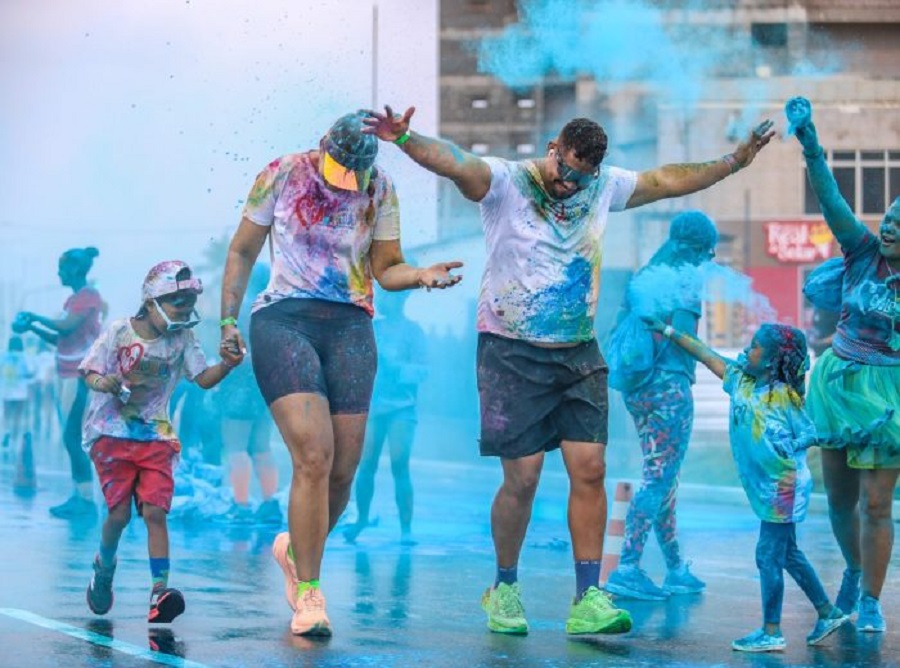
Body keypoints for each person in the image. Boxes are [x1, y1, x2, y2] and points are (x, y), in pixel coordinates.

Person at [363, 104, 774, 636]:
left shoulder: (602, 188)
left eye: (582, 177)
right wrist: (406, 138)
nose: (569, 184)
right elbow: (457, 162)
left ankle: (587, 599)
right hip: (510, 349)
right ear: (554, 148)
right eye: (565, 170)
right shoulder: (508, 182)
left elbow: (666, 179)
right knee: (524, 478)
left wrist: (733, 162)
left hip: (577, 351)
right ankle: (504, 587)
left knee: (591, 470)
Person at [219, 110, 462, 637]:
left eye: (358, 169)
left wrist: (421, 275)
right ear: (325, 144)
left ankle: (293, 548)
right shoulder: (283, 172)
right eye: (342, 165)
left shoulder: (381, 188)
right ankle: (309, 593)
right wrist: (226, 319)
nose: (349, 178)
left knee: (343, 473)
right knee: (313, 455)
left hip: (351, 325)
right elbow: (241, 250)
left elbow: (387, 268)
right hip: (285, 319)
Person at [646, 317, 849, 651]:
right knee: (789, 554)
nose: (745, 349)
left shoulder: (784, 396)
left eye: (753, 346)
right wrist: (667, 330)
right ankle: (827, 612)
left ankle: (772, 631)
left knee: (767, 555)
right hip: (768, 485)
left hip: (784, 486)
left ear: (770, 360)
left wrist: (794, 445)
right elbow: (703, 352)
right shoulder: (739, 381)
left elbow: (810, 432)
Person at [787, 95, 900, 633]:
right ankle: (854, 571)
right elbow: (831, 199)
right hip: (838, 380)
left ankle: (872, 600)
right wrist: (812, 149)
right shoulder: (861, 251)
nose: (892, 224)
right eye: (892, 217)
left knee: (877, 503)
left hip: (889, 395)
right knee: (839, 499)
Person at [80, 260, 243, 623]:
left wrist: (228, 364)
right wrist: (101, 383)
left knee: (155, 512)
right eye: (177, 303)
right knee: (119, 516)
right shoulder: (119, 331)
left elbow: (202, 378)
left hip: (155, 434)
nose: (184, 311)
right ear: (151, 302)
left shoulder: (182, 339)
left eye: (189, 303)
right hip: (111, 434)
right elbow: (91, 370)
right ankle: (104, 567)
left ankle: (159, 592)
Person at [604, 210, 717, 601]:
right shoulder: (687, 280)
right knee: (659, 478)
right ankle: (628, 567)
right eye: (709, 252)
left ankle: (674, 568)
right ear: (700, 249)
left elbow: (619, 326)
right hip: (670, 389)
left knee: (663, 475)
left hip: (637, 389)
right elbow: (684, 338)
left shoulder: (644, 276)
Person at [17, 247, 104, 519]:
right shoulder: (75, 299)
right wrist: (33, 328)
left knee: (72, 437)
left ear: (76, 270)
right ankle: (80, 495)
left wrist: (34, 317)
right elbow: (62, 339)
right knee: (72, 438)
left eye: (62, 267)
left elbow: (65, 327)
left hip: (81, 375)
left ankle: (86, 500)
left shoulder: (88, 297)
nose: (58, 272)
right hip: (68, 374)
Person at [343, 286, 428, 545]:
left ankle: (406, 529)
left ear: (403, 298)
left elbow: (423, 371)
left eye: (392, 296)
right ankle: (361, 520)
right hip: (373, 405)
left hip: (402, 407)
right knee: (366, 465)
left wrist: (397, 368)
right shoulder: (372, 328)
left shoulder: (413, 332)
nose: (385, 300)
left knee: (399, 464)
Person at [218, 263, 282, 525]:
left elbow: (234, 351)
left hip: (240, 387)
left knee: (236, 446)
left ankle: (241, 505)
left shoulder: (244, 312)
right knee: (261, 447)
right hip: (266, 386)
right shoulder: (276, 310)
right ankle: (270, 503)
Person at [1, 335, 34, 456]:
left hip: (6, 390)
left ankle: (6, 433)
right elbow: (30, 373)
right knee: (17, 417)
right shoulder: (24, 357)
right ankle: (13, 441)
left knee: (7, 415)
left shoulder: (3, 356)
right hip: (20, 391)